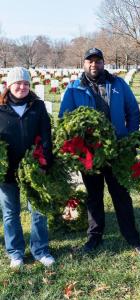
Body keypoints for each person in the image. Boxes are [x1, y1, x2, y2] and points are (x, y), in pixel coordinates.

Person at [59, 48, 140, 254]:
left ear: (104, 63)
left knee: (121, 194)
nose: (93, 65)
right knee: (94, 195)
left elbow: (133, 111)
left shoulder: (118, 84)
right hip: (90, 154)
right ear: (84, 64)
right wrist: (79, 145)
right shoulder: (73, 88)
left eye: (97, 61)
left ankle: (131, 237)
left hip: (116, 150)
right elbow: (64, 119)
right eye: (90, 61)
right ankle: (94, 236)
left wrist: (129, 139)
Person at [0, 67, 55, 268]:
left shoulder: (37, 106)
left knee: (38, 210)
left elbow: (46, 135)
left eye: (25, 83)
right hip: (8, 170)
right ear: (9, 85)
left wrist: (44, 162)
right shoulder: (0, 108)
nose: (21, 87)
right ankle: (15, 253)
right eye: (17, 83)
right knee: (10, 211)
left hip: (34, 168)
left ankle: (40, 249)